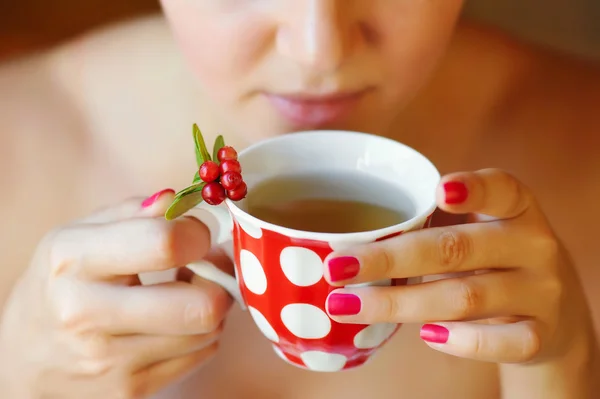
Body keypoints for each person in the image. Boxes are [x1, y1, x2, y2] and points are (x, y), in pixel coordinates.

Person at [1, 1, 599, 398]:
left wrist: (563, 366)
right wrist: (18, 377)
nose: (320, 50)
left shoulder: (583, 150)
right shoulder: (16, 143)